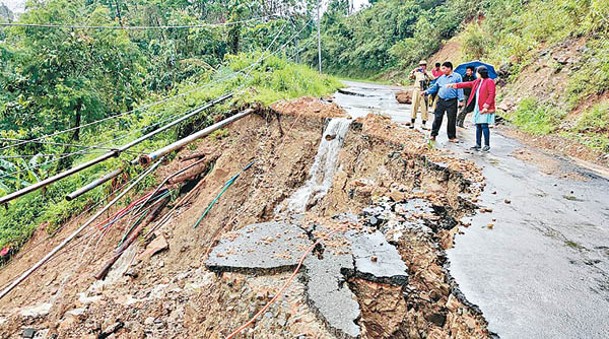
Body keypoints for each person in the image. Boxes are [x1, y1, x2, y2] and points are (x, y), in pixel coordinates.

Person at [447, 65, 496, 151]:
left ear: (481, 73)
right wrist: (454, 85)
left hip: (485, 107)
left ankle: (487, 144)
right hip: (478, 106)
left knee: (484, 125)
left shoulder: (489, 81)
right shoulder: (477, 81)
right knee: (478, 125)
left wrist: (487, 105)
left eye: (477, 72)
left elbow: (492, 94)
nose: (476, 74)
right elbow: (467, 84)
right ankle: (478, 144)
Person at [422, 61, 464, 142]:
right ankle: (433, 134)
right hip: (441, 100)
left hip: (452, 101)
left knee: (451, 119)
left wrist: (461, 100)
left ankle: (452, 137)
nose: (443, 70)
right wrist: (426, 92)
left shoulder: (457, 77)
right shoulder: (441, 78)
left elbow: (460, 88)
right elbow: (435, 87)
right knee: (437, 117)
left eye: (444, 68)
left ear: (449, 68)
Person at [408, 60, 435, 130]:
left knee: (424, 107)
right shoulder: (417, 73)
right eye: (421, 65)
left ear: (426, 66)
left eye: (423, 65)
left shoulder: (428, 73)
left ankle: (423, 123)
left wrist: (426, 73)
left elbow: (433, 78)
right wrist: (413, 71)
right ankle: (412, 122)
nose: (422, 66)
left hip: (425, 91)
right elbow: (410, 77)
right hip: (417, 90)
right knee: (414, 105)